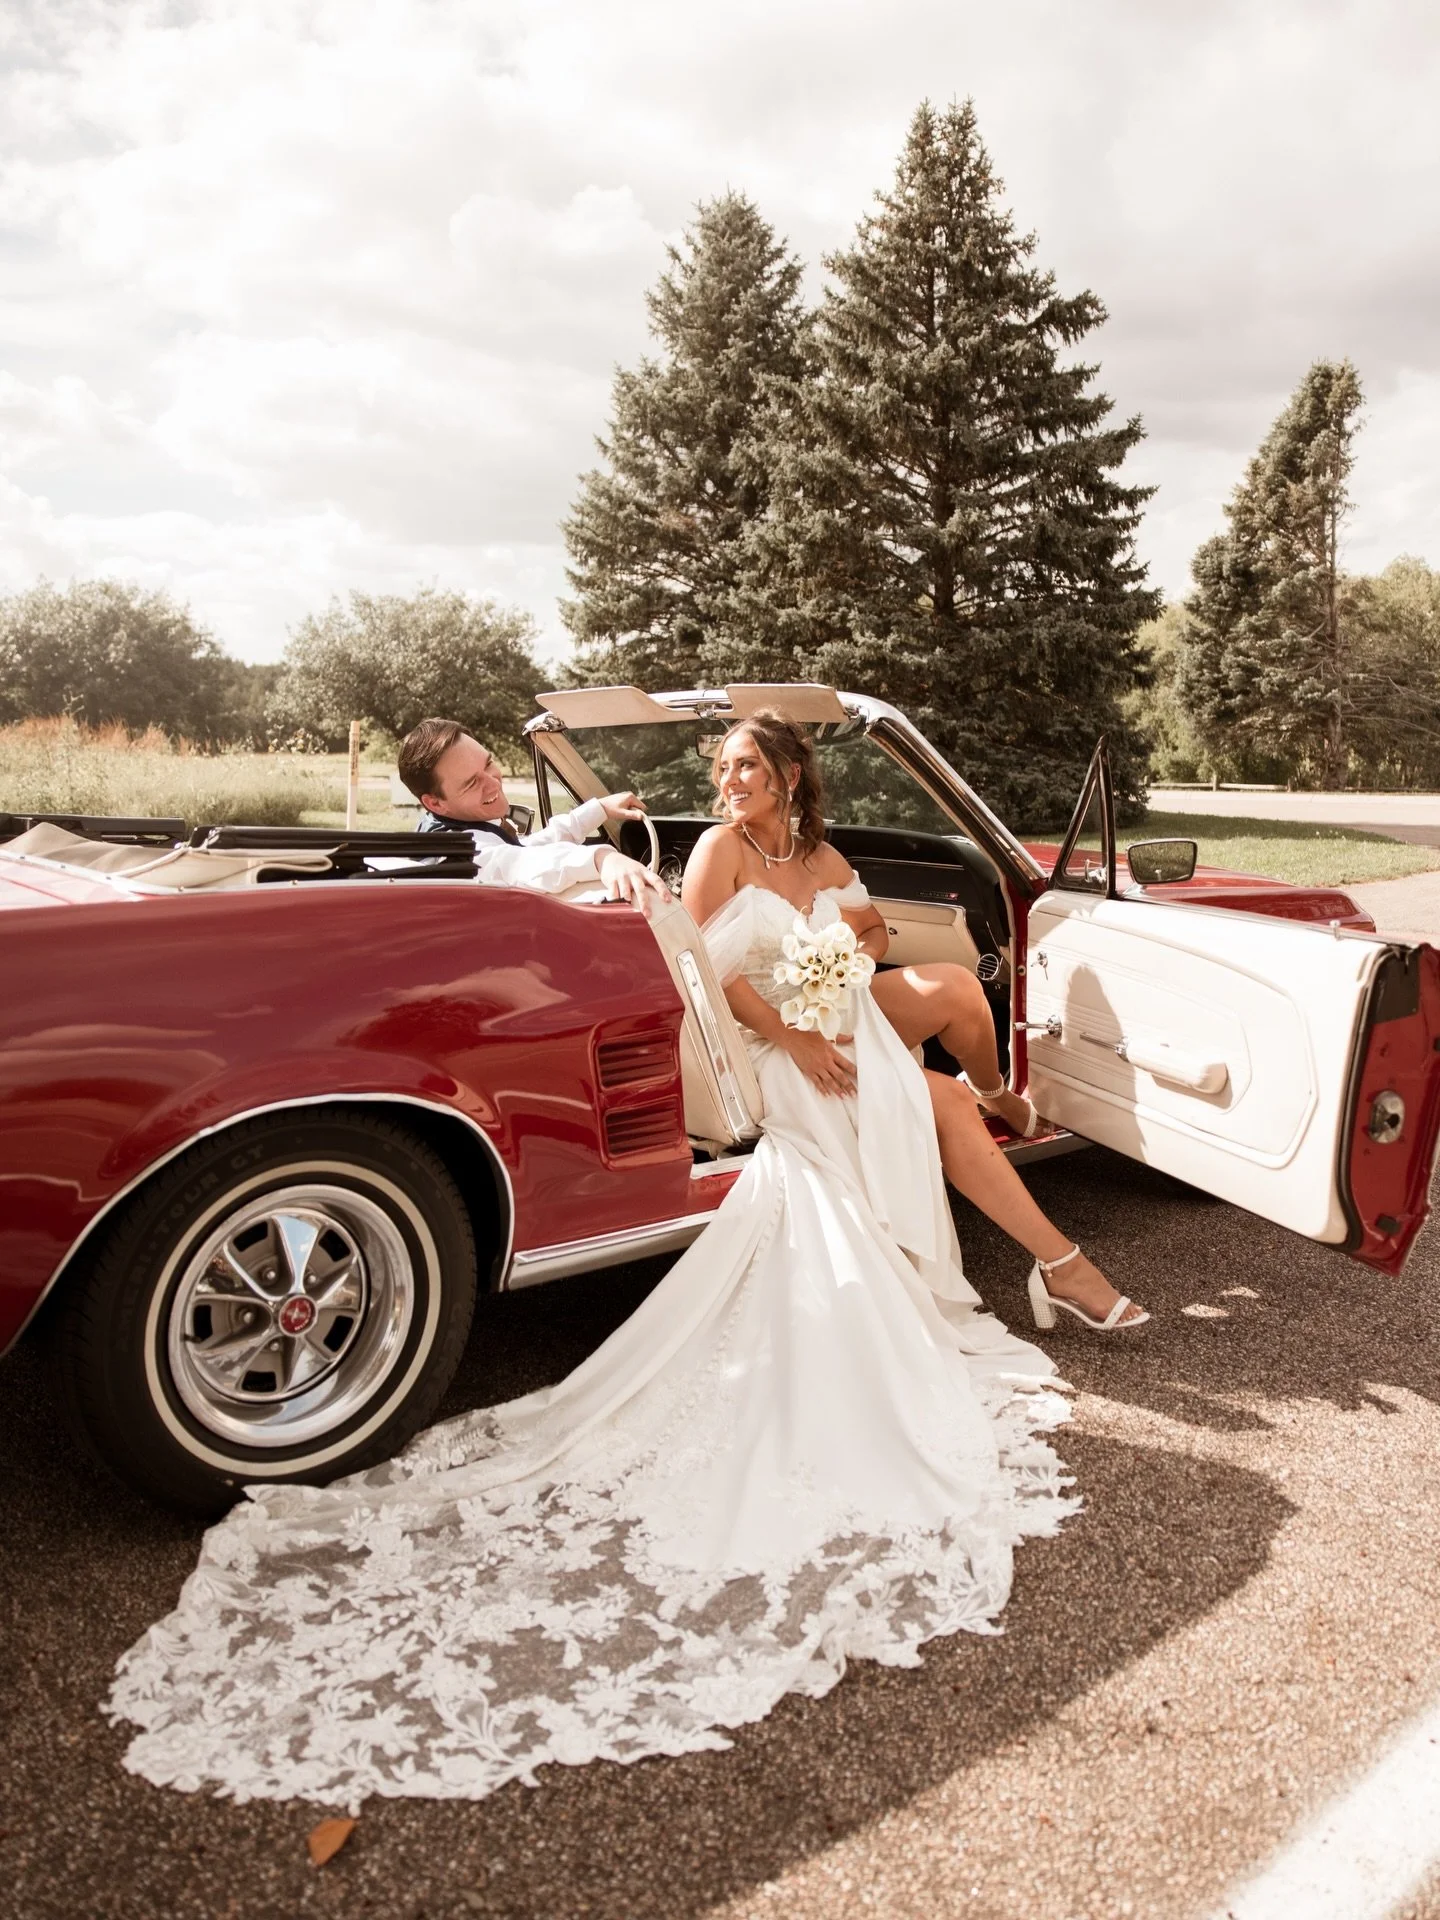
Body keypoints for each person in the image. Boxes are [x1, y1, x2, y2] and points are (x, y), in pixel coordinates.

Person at [106, 716, 1139, 1812]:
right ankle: (1054, 1253)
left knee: (925, 1073)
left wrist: (847, 962)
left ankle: (1043, 1234)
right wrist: (794, 1027)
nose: (729, 780)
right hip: (752, 1046)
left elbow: (861, 945)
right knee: (925, 1096)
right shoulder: (714, 853)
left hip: (823, 1024)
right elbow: (696, 970)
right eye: (723, 766)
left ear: (790, 775)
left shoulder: (824, 859)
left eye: (748, 766)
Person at [396, 715, 665, 913]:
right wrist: (602, 858)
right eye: (471, 783)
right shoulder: (460, 854)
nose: (493, 782)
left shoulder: (446, 828)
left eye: (488, 763)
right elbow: (520, 864)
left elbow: (523, 847)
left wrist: (599, 810)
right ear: (435, 803)